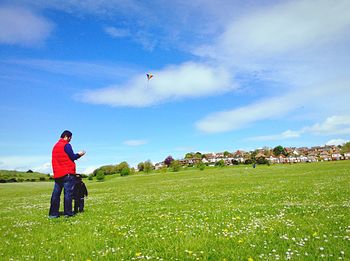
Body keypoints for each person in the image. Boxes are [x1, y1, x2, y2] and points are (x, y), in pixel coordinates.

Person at [49, 130, 86, 218]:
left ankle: (53, 214)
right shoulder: (66, 145)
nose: (70, 139)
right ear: (66, 136)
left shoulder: (55, 146)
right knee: (68, 194)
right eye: (70, 137)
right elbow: (72, 157)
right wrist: (79, 154)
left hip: (58, 174)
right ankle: (68, 213)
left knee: (56, 194)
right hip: (68, 173)